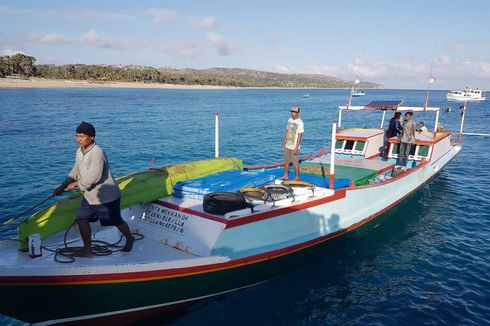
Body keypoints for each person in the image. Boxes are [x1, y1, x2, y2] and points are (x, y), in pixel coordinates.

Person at [53, 121, 134, 257]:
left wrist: (77, 184)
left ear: (92, 137)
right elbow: (76, 169)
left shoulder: (98, 153)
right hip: (89, 196)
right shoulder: (79, 151)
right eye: (77, 136)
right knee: (81, 219)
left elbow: (93, 177)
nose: (78, 139)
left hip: (106, 196)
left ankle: (130, 238)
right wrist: (63, 184)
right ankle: (88, 250)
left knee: (116, 221)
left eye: (82, 136)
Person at [281, 106, 304, 181]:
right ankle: (285, 175)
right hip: (288, 144)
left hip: (294, 146)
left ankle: (297, 177)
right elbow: (287, 131)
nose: (292, 113)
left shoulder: (300, 122)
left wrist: (296, 147)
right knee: (286, 161)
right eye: (292, 111)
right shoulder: (289, 120)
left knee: (295, 163)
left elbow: (300, 135)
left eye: (294, 112)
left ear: (298, 113)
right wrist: (284, 143)